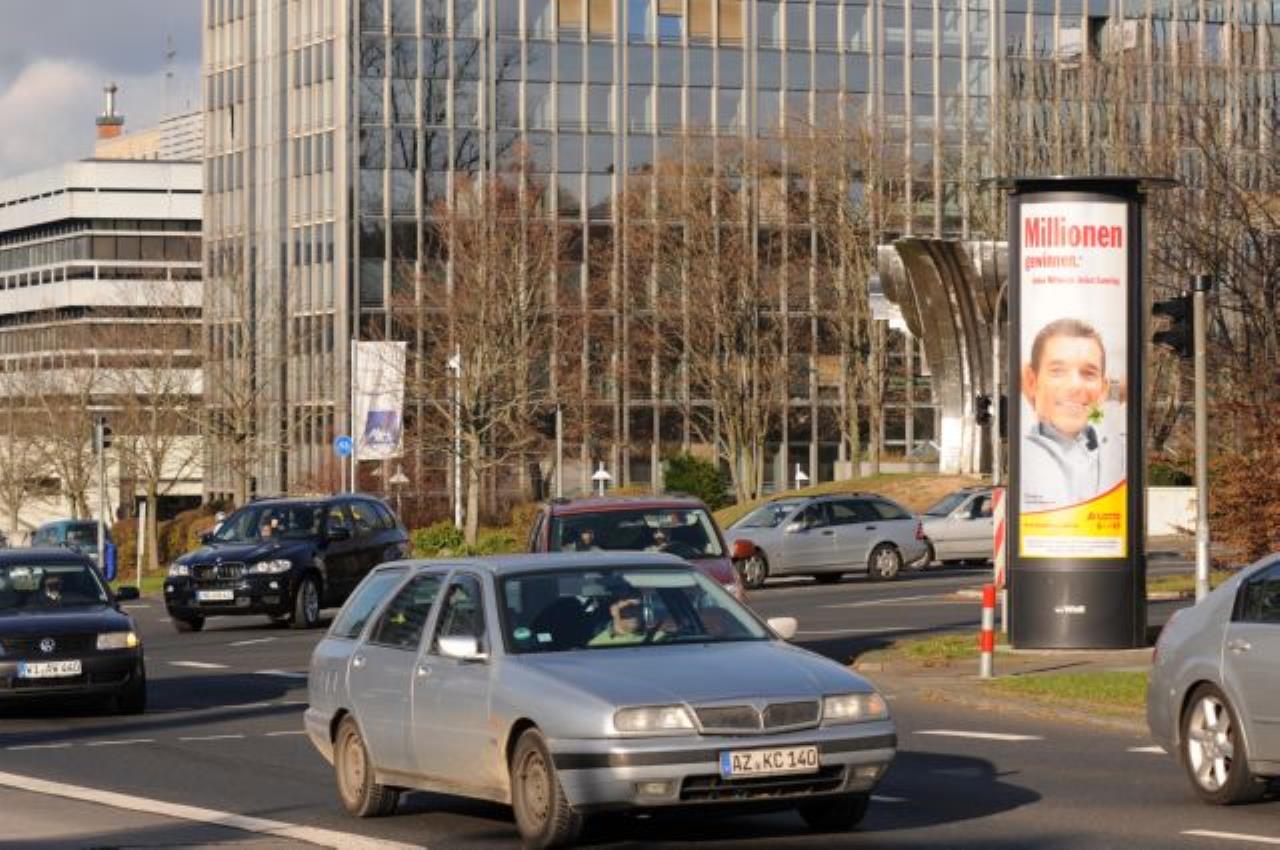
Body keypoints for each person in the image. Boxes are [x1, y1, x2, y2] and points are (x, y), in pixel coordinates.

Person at [1021, 318, 1116, 511]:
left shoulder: (1120, 455)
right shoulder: (1022, 458)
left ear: (1103, 389)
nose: (1074, 385)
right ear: (1032, 382)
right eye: (1058, 371)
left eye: (1088, 373)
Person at [589, 582, 654, 646]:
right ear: (615, 611)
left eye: (639, 607)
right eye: (630, 607)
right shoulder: (598, 644)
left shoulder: (655, 637)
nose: (636, 612)